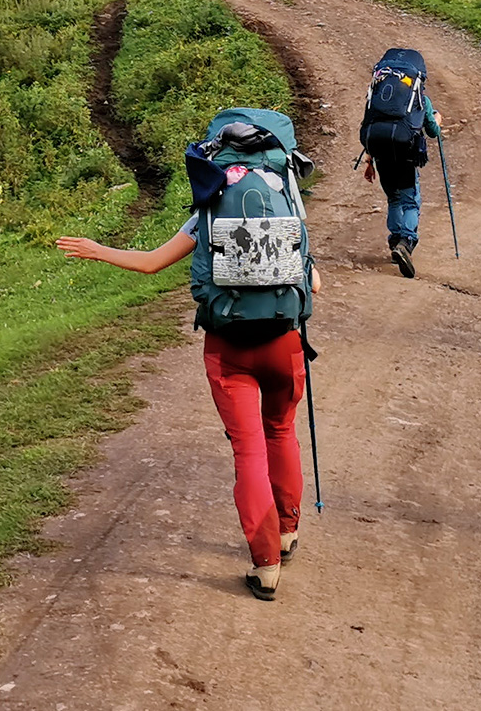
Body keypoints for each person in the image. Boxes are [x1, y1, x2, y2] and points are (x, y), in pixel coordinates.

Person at [58, 108, 319, 600]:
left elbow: (152, 264)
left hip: (228, 348)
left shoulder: (210, 207)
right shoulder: (289, 204)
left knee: (248, 450)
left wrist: (100, 249)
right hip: (284, 343)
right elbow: (315, 282)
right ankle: (287, 532)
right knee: (281, 429)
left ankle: (265, 567)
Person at [358, 48, 445, 278]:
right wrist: (437, 119)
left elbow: (372, 123)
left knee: (394, 198)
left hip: (380, 153)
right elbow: (432, 131)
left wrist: (369, 161)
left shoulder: (378, 95)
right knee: (410, 200)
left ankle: (395, 239)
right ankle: (405, 241)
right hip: (406, 154)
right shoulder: (420, 99)